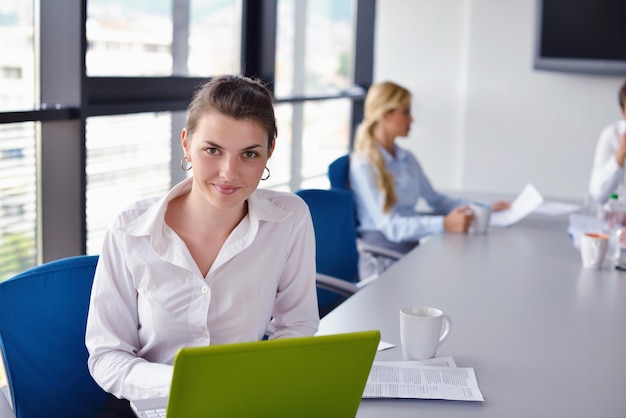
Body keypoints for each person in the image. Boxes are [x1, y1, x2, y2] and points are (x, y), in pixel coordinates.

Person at [86, 75, 320, 417]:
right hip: (150, 406)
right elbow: (107, 356)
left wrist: (261, 382)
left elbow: (297, 325)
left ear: (269, 152)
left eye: (249, 154)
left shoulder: (289, 219)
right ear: (186, 144)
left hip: (243, 402)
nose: (229, 173)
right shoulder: (130, 230)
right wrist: (191, 382)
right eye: (213, 150)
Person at [349, 81, 509, 278]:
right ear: (385, 115)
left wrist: (479, 207)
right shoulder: (364, 165)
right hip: (382, 257)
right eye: (405, 112)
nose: (412, 119)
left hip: (410, 250)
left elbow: (436, 200)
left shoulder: (407, 159)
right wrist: (444, 224)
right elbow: (392, 228)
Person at [588, 79, 626, 207]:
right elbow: (598, 196)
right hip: (615, 223)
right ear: (622, 111)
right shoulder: (611, 135)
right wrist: (620, 154)